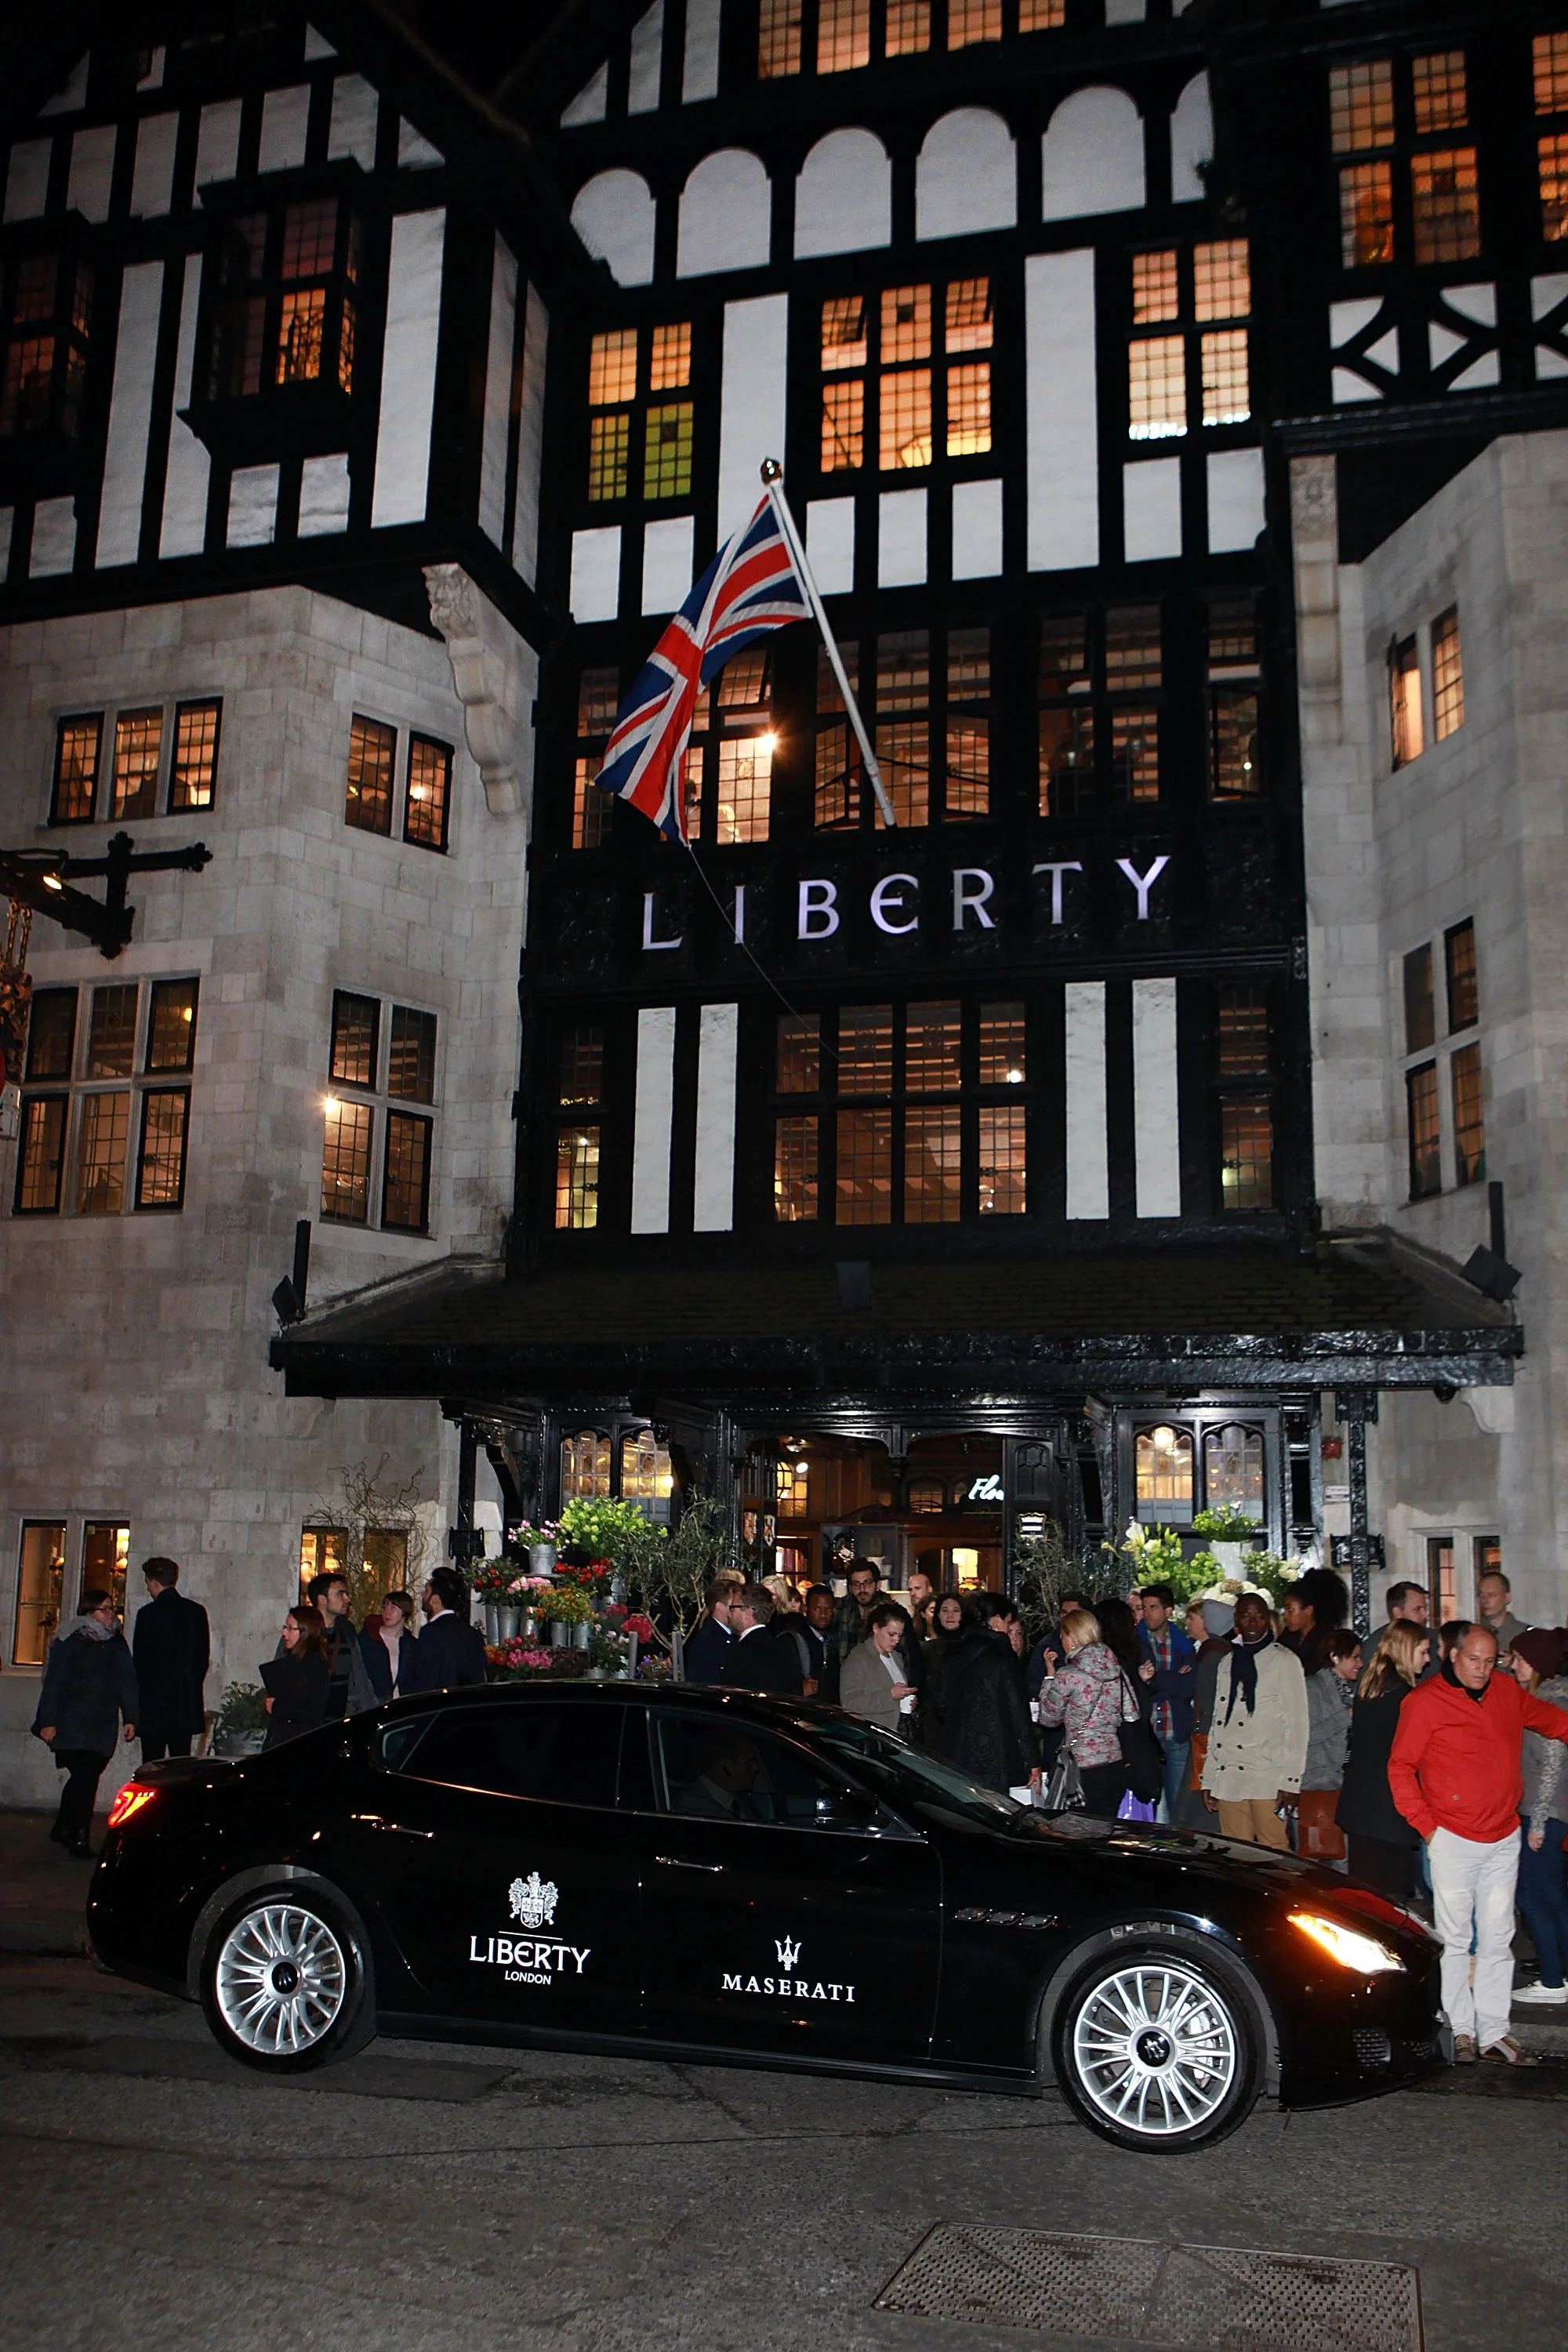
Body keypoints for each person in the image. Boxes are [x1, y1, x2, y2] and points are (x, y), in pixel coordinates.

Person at [1388, 1620, 1568, 2065]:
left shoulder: (1506, 1692)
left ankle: (1494, 2030)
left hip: (1503, 1835)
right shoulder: (1424, 1702)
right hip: (1453, 1837)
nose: (1482, 1670)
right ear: (1452, 1654)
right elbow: (1400, 1768)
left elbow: (1549, 1719)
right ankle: (1462, 2028)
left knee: (1497, 1936)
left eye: (1490, 1662)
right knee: (1454, 1938)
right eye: (1474, 1660)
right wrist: (1428, 1828)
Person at [32, 1588, 138, 1858]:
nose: (111, 1614)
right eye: (104, 1609)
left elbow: (127, 1681)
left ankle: (63, 1827)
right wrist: (48, 1721)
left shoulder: (116, 1642)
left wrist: (131, 1716)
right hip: (73, 1720)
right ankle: (79, 1836)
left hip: (101, 1722)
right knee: (85, 1778)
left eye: (112, 1608)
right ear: (89, 1612)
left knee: (84, 1777)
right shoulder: (71, 1639)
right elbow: (55, 1682)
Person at [1201, 1590, 1308, 1850]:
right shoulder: (1227, 1662)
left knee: (1274, 1853)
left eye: (1259, 1617)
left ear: (1267, 1620)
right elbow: (1219, 1721)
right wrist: (1210, 1777)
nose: (1252, 1623)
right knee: (1235, 1855)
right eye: (1246, 1616)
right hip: (1230, 1777)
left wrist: (1291, 1781)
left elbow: (1298, 1726)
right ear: (1237, 1620)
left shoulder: (1284, 1661)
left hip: (1267, 1777)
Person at [1335, 1623, 1428, 1896]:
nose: (1427, 1659)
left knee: (1367, 1896)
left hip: (1362, 1807)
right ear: (1406, 1651)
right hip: (1389, 1812)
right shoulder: (1406, 1698)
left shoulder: (1371, 1688)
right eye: (1422, 1651)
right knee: (1390, 1899)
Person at [924, 1592, 1040, 1797]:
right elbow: (1018, 1709)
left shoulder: (953, 1650)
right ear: (996, 1621)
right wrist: (1033, 1761)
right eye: (1007, 1622)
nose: (1008, 1630)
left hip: (958, 1750)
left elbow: (940, 1703)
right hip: (997, 1749)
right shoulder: (1003, 1654)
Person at [1508, 1628, 1568, 2007]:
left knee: (1530, 1895)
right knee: (1551, 1895)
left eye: (1519, 1659)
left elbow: (1551, 1767)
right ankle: (1559, 1972)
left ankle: (1552, 1979)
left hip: (1543, 1813)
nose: (1513, 1665)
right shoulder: (1548, 1696)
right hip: (1548, 1812)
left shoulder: (1551, 1701)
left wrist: (1540, 1823)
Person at [1036, 1606, 1137, 1818]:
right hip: (1114, 1765)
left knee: (1077, 1836)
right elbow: (1131, 1713)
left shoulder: (1068, 1676)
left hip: (1083, 1768)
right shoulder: (1117, 1671)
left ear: (1072, 1637)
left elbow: (1048, 1718)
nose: (1062, 1642)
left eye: (1063, 1635)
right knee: (1104, 1833)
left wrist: (1049, 1677)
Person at [129, 1556, 209, 1762]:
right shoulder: (196, 1612)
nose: (148, 1588)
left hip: (153, 1705)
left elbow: (139, 1662)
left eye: (148, 1583)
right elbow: (202, 1659)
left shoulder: (147, 1615)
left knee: (152, 1766)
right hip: (184, 1703)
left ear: (155, 1582)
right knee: (181, 1764)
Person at [1298, 1628, 1362, 1861]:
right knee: (1315, 1858)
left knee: (1342, 1857)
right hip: (1318, 1784)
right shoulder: (1313, 1687)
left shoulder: (1355, 1689)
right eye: (1354, 1657)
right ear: (1336, 1657)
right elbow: (1307, 1735)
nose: (1360, 1663)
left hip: (1345, 1784)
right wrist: (1347, 1717)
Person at [1137, 1582, 1197, 1821]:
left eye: (1153, 1607)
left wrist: (1155, 1680)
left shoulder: (1183, 1644)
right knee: (1148, 1807)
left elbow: (1187, 1687)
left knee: (1177, 1807)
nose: (1147, 1614)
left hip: (1176, 1732)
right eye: (1144, 1608)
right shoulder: (1137, 1642)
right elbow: (1138, 1683)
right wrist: (1170, 1680)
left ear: (1168, 1610)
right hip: (1147, 1734)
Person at [840, 1602, 918, 1734]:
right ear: (876, 1628)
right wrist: (891, 1695)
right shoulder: (858, 1658)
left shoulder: (897, 1657)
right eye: (891, 1634)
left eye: (899, 1635)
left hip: (898, 1732)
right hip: (872, 1736)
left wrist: (907, 1701)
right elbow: (849, 1703)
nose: (896, 1640)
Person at [306, 1571, 377, 1716]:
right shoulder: (302, 1630)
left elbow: (358, 1673)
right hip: (309, 1721)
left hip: (341, 1718)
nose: (347, 1599)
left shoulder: (347, 1630)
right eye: (340, 1594)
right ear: (322, 1600)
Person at [261, 1605, 332, 1747]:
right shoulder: (298, 1660)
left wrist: (276, 1707)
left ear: (306, 1632)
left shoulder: (313, 1664)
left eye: (290, 1628)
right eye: (285, 1627)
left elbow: (311, 1709)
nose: (284, 1633)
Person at [410, 1567, 488, 1692]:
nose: (422, 1595)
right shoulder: (473, 1634)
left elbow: (426, 1680)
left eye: (426, 1590)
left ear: (435, 1599)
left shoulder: (431, 1633)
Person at [719, 1581, 803, 1696]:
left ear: (748, 1612)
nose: (729, 1614)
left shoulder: (740, 1653)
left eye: (733, 1608)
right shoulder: (782, 1649)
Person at [1280, 1567, 1351, 1682]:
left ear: (1308, 1610)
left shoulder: (1327, 1642)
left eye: (1290, 1609)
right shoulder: (1287, 1637)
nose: (1285, 1615)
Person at [359, 1588, 418, 1702]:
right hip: (372, 1705)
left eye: (393, 1608)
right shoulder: (369, 1639)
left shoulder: (411, 1645)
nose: (387, 1612)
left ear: (404, 1612)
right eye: (385, 1607)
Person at [683, 1577, 737, 1684]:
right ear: (719, 1607)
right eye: (734, 1606)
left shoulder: (728, 1633)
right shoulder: (709, 1640)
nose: (739, 1610)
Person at [830, 1560, 883, 1661]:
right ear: (850, 1588)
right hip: (846, 1673)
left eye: (867, 1583)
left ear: (878, 1585)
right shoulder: (839, 1610)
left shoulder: (890, 1612)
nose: (862, 1589)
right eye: (856, 1584)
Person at [800, 1584, 840, 1703]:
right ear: (805, 1609)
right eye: (817, 1609)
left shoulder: (833, 1641)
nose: (823, 1615)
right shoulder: (793, 1641)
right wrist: (799, 1690)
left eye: (828, 1609)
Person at [1476, 1568, 1526, 1654]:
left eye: (1491, 1595)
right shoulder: (1473, 1634)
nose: (1484, 1600)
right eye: (1481, 1595)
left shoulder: (1525, 1634)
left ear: (1507, 1598)